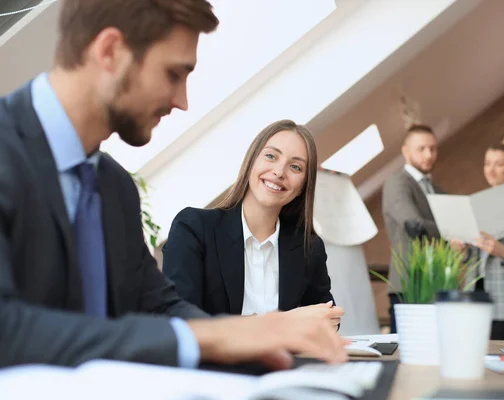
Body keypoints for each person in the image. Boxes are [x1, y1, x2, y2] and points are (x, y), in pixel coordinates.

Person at [0, 0, 346, 369]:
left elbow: (158, 305)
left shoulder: (114, 187)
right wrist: (223, 335)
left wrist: (260, 335)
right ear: (110, 51)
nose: (181, 101)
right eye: (173, 74)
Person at [162, 120, 343, 328]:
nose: (279, 171)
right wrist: (285, 322)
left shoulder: (308, 248)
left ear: (303, 186)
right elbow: (183, 322)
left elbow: (327, 319)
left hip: (288, 360)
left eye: (295, 167)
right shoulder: (193, 228)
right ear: (251, 162)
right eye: (271, 156)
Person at [381, 124, 445, 333]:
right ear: (406, 151)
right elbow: (414, 226)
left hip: (439, 286)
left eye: (433, 148)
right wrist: (452, 232)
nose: (428, 154)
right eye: (421, 148)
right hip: (409, 285)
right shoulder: (397, 182)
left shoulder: (439, 190)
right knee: (405, 358)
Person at [471, 137, 504, 340]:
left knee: (502, 353)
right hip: (477, 292)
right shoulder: (477, 201)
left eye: (499, 164)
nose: (491, 170)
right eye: (487, 163)